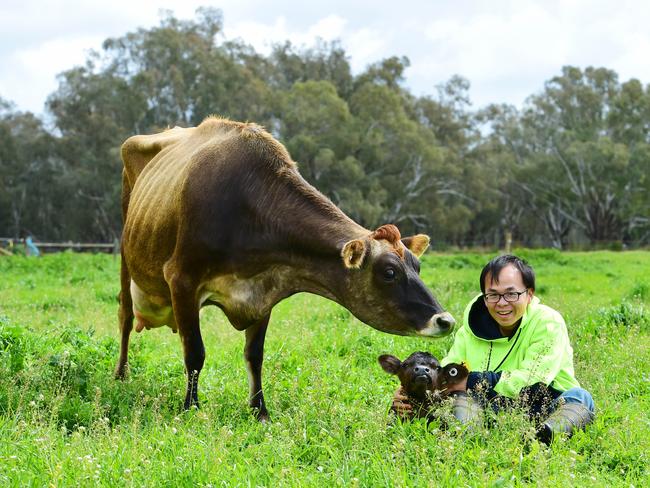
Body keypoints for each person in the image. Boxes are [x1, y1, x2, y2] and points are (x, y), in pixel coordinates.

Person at [393, 254, 595, 444]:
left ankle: (543, 435)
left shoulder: (548, 323)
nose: (502, 303)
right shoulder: (470, 329)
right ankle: (469, 433)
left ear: (529, 294)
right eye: (493, 295)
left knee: (580, 397)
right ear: (484, 296)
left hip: (543, 402)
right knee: (460, 398)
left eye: (511, 294)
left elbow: (534, 379)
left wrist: (470, 380)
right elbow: (448, 369)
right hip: (486, 407)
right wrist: (411, 389)